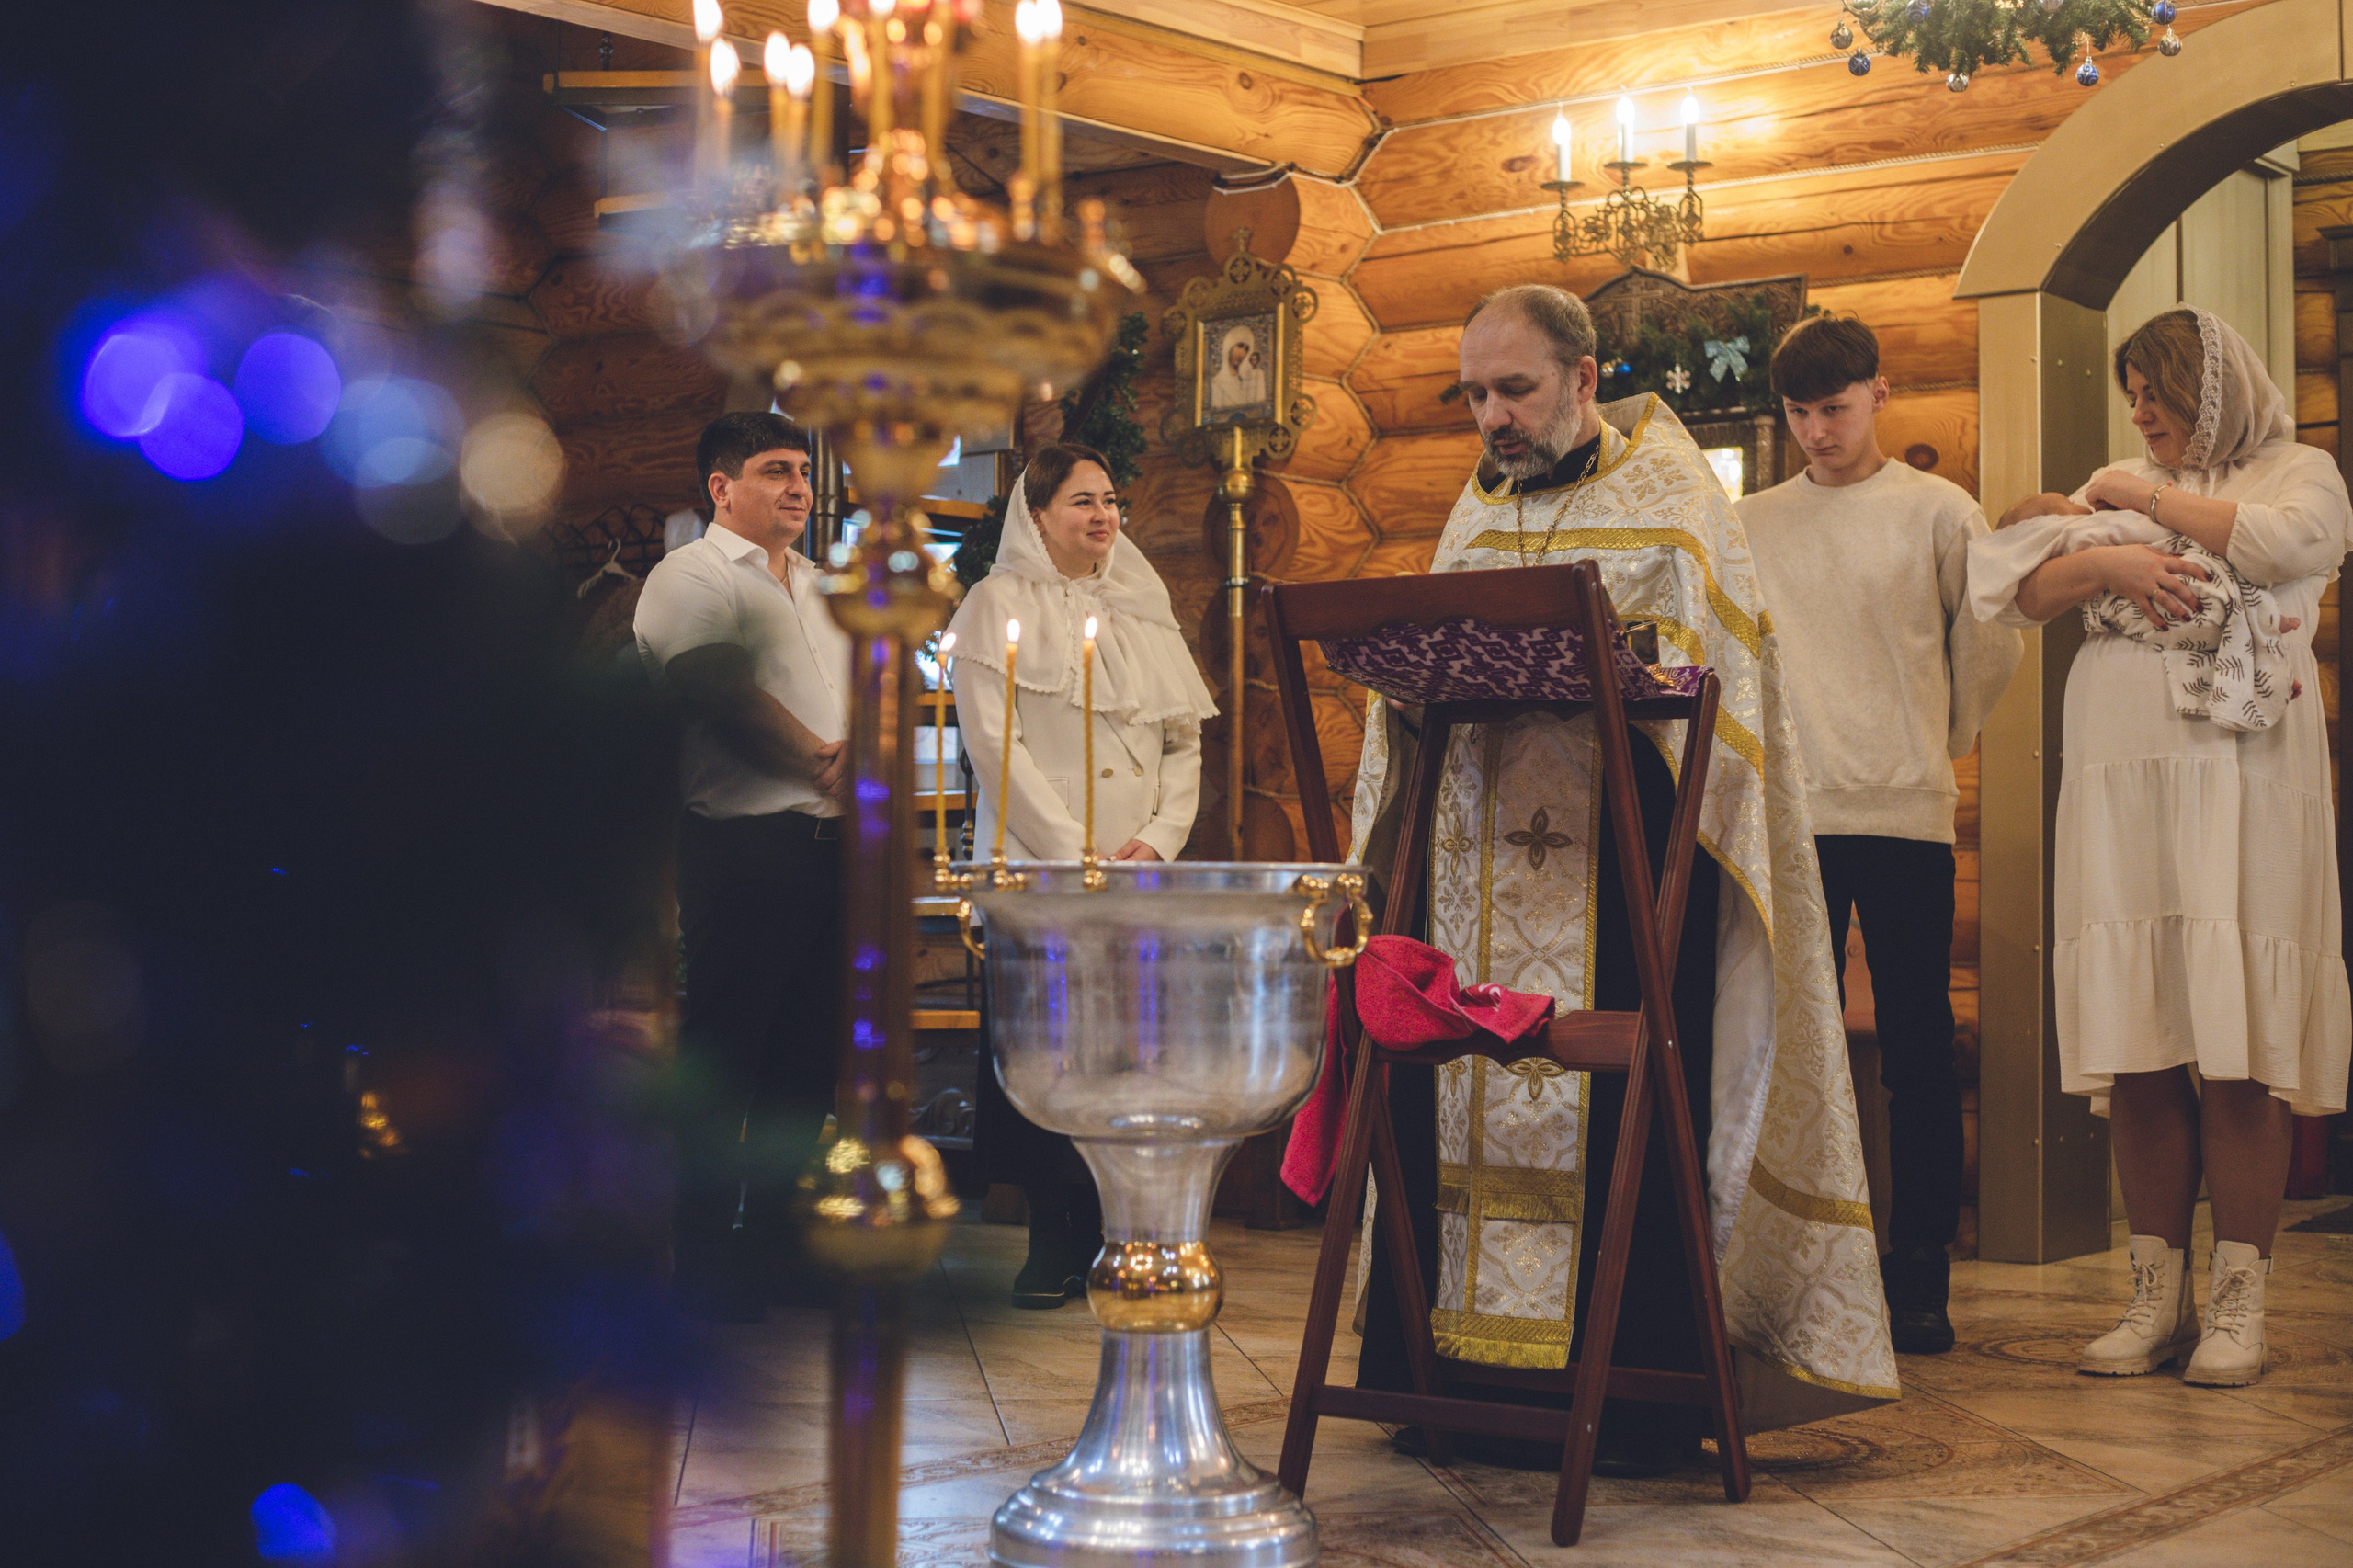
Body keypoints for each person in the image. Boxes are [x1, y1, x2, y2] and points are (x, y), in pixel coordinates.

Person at [1347, 285, 1896, 1474]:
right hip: (1473, 876)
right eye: (1474, 395)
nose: (1491, 417)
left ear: (1585, 377)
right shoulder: (1475, 509)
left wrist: (1625, 672)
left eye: (1515, 390)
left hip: (1626, 874)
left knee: (1623, 1107)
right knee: (1454, 1084)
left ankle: (1628, 1400)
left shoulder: (1677, 500)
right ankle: (1448, 1386)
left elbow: (1720, 710)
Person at [1970, 308, 2352, 1389]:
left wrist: (2134, 507)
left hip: (2241, 775)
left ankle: (2238, 1302)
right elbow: (2021, 588)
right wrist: (2113, 566)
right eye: (2131, 395)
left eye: (2157, 393)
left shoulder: (2297, 471)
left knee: (2239, 1042)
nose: (2140, 414)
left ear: (2212, 390)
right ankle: (2154, 1296)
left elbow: (2287, 546)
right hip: (2120, 771)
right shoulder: (2112, 487)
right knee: (2139, 1036)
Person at [1737, 317, 2022, 1357]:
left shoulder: (1939, 510)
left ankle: (1919, 1279)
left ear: (1879, 394)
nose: (1818, 431)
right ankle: (1795, 1268)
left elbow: (1987, 646)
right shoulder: (1750, 522)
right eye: (1799, 413)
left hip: (1904, 812)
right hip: (1790, 816)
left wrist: (1931, 743)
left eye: (1836, 408)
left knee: (1917, 1051)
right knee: (1784, 1050)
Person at [948, 442, 1219, 1306]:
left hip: (1136, 865)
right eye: (1082, 501)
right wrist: (1073, 850)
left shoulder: (1141, 598)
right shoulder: (994, 604)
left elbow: (1184, 736)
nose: (1103, 515)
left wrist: (1161, 837)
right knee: (1046, 1048)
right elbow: (994, 746)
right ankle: (1049, 1237)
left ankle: (1116, 1229)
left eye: (1109, 499)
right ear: (1036, 517)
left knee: (1122, 1053)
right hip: (1044, 867)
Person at [633, 412, 851, 1321]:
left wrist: (861, 759)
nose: (799, 487)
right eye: (775, 471)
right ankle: (698, 1255)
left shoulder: (825, 585)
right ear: (721, 488)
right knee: (729, 1051)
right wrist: (821, 759)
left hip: (836, 848)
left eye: (802, 470)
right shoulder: (690, 574)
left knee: (809, 1056)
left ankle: (772, 1246)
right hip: (742, 846)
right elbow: (712, 685)